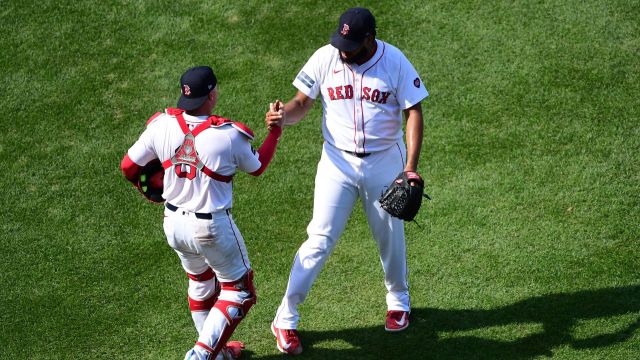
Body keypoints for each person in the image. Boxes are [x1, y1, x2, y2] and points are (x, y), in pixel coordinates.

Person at [266, 7, 429, 355]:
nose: (343, 50)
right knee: (319, 238)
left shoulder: (394, 61)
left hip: (385, 160)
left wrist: (410, 166)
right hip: (336, 162)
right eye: (341, 42)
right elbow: (301, 101)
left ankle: (398, 299)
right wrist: (283, 119)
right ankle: (286, 317)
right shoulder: (327, 57)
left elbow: (413, 110)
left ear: (370, 39)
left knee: (389, 232)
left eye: (351, 44)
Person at [120, 66, 285, 360]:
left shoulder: (161, 125)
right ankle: (200, 354)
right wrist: (275, 131)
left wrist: (147, 189)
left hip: (173, 224)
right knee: (239, 291)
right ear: (212, 94)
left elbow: (128, 167)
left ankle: (217, 353)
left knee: (200, 282)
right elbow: (258, 167)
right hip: (211, 228)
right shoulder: (228, 136)